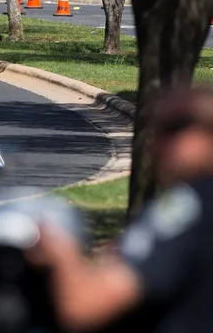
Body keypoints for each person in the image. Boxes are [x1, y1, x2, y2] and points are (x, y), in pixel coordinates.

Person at [27, 85, 213, 333]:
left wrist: (61, 251)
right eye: (155, 129)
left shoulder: (185, 206)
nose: (156, 142)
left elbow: (84, 307)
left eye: (173, 128)